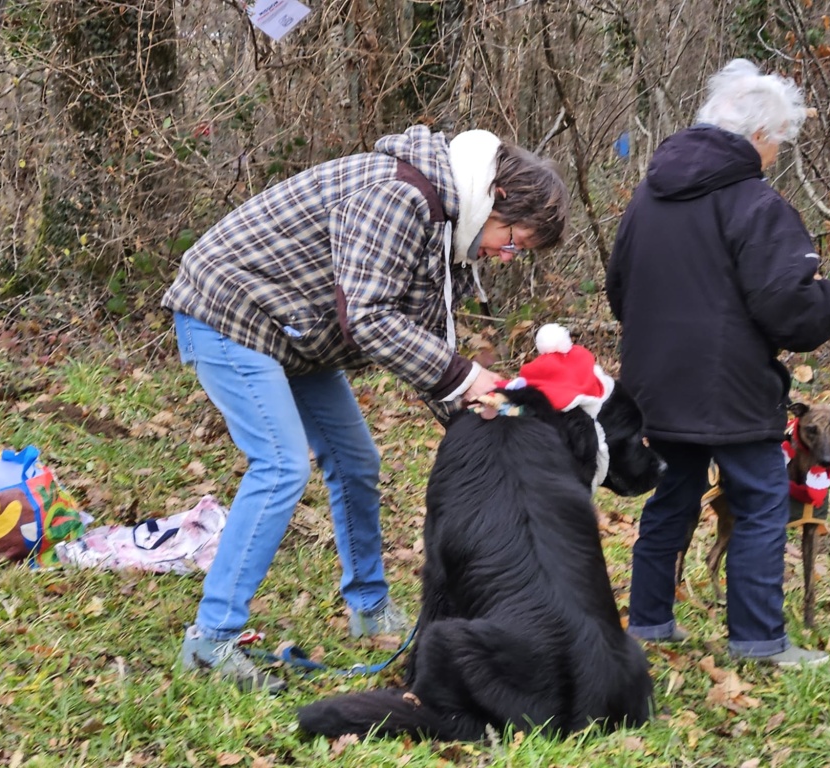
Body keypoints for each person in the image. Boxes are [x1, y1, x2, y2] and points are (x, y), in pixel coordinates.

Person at [161, 124, 570, 691]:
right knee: (281, 466)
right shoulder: (401, 195)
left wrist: (488, 416)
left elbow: (427, 344)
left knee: (356, 462)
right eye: (512, 241)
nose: (504, 256)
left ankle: (370, 608)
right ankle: (211, 640)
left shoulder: (444, 224)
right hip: (228, 311)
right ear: (497, 197)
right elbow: (372, 319)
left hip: (295, 335)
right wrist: (464, 377)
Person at [606, 59, 830, 666]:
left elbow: (619, 291)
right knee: (764, 500)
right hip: (732, 390)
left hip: (654, 384)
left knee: (673, 495)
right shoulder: (756, 203)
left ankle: (649, 621)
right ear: (758, 135)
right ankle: (758, 639)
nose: (775, 155)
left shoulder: (648, 197)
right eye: (778, 142)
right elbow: (788, 308)